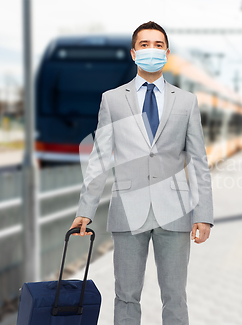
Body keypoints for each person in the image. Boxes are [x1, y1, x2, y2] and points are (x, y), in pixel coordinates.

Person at [70, 21, 214, 325]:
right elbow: (99, 158)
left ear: (167, 53)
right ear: (134, 54)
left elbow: (198, 160)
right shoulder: (112, 99)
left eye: (158, 45)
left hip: (175, 211)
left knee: (175, 297)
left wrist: (203, 213)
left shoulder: (186, 101)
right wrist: (86, 208)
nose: (152, 50)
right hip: (127, 210)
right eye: (145, 45)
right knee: (125, 296)